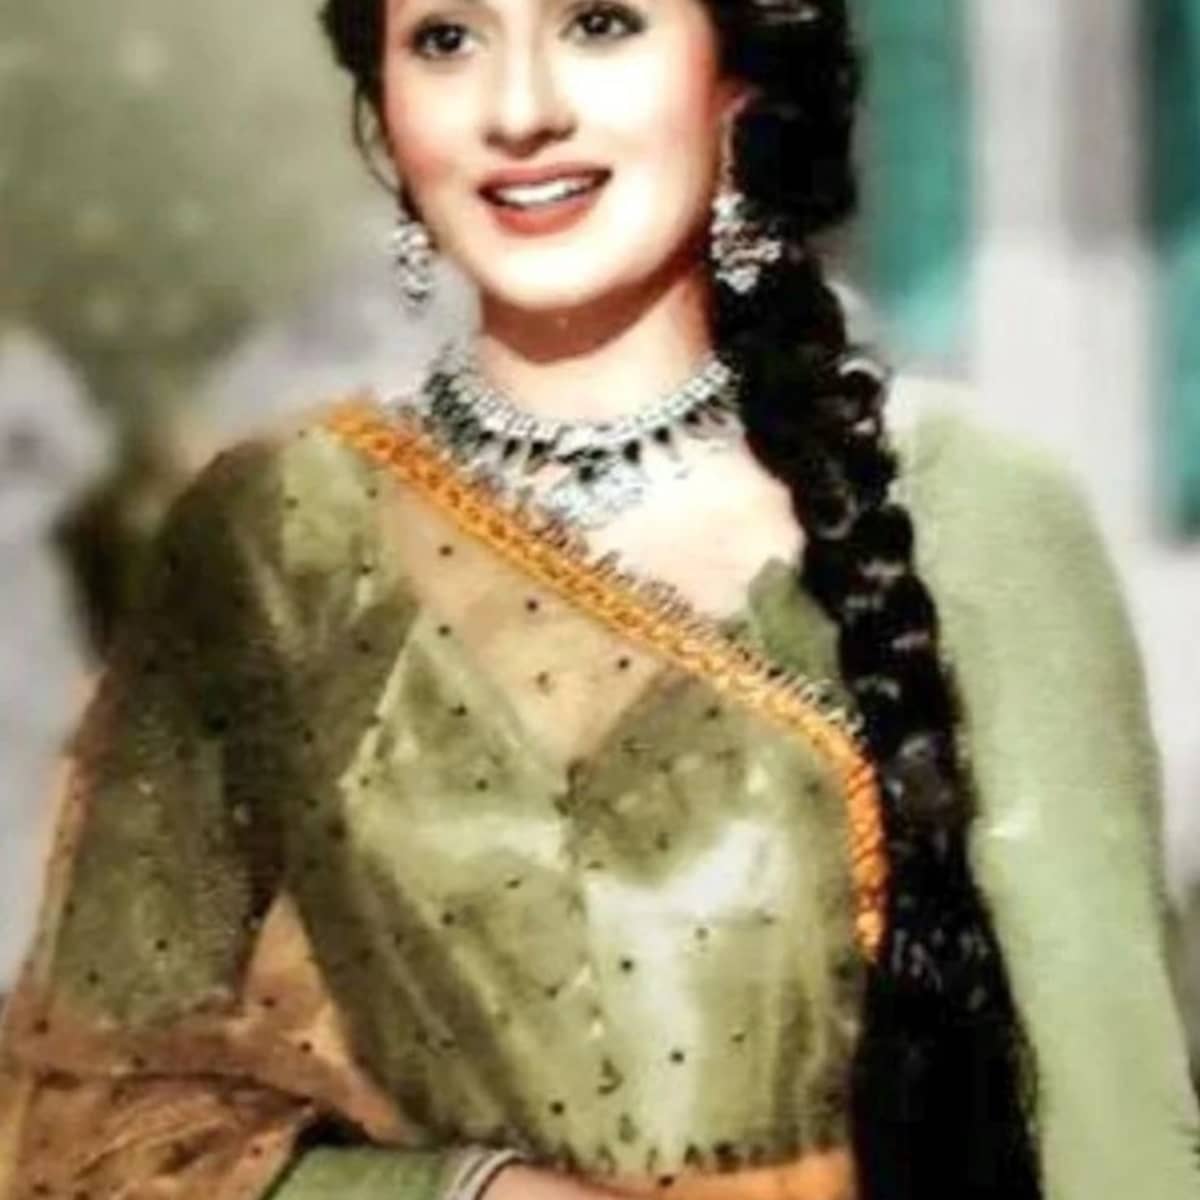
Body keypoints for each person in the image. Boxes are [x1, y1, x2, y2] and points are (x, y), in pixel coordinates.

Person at [0, 0, 1196, 1197]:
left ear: (740, 77)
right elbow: (79, 1131)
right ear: (383, 107)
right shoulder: (273, 533)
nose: (520, 111)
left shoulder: (964, 505)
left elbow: (1119, 1138)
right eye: (447, 40)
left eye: (602, 23)